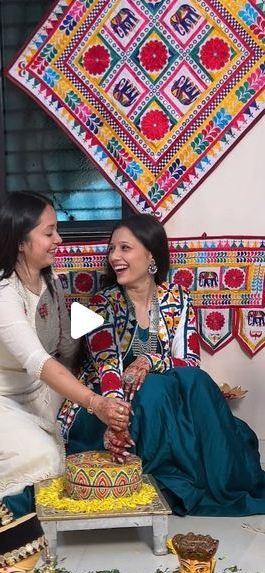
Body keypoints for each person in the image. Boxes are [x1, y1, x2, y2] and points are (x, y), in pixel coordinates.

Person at [0, 191, 130, 513]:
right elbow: (38, 361)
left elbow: (66, 346)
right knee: (45, 461)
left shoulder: (52, 283)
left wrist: (107, 322)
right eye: (48, 232)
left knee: (61, 459)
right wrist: (97, 404)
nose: (59, 239)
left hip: (26, 395)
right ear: (21, 242)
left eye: (56, 230)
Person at [57, 215, 265, 516]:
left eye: (125, 248)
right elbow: (108, 368)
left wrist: (151, 360)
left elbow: (189, 361)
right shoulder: (103, 302)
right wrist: (116, 417)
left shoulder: (177, 299)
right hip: (106, 404)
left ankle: (215, 479)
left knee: (191, 380)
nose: (115, 256)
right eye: (112, 249)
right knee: (154, 389)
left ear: (151, 254)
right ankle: (175, 478)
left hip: (162, 403)